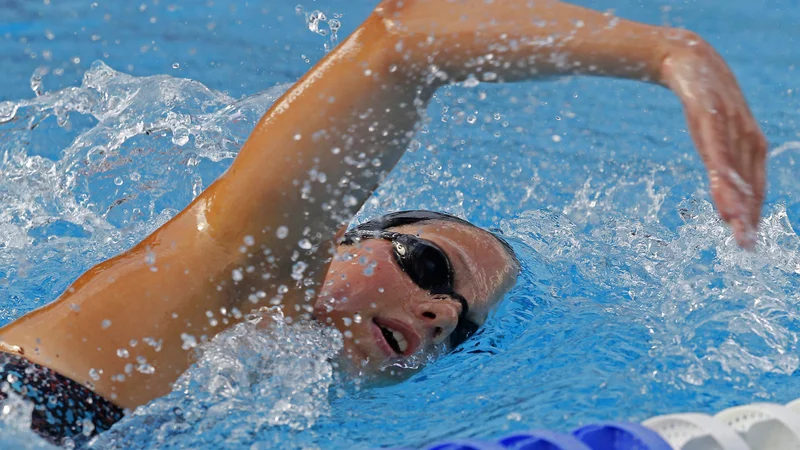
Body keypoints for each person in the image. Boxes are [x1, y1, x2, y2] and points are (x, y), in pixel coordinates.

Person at [0, 0, 766, 445]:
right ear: (340, 236)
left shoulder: (265, 404)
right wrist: (669, 50)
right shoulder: (243, 271)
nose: (437, 311)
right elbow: (399, 42)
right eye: (428, 267)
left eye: (458, 325)